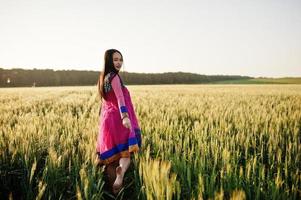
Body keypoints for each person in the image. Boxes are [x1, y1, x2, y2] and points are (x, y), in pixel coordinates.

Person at [95, 49, 142, 194]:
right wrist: (125, 116)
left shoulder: (103, 78)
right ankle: (120, 175)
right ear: (109, 60)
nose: (119, 63)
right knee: (126, 153)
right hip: (119, 120)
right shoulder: (115, 77)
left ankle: (116, 191)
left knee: (111, 158)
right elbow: (120, 98)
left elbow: (104, 102)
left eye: (120, 60)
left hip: (107, 122)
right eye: (115, 59)